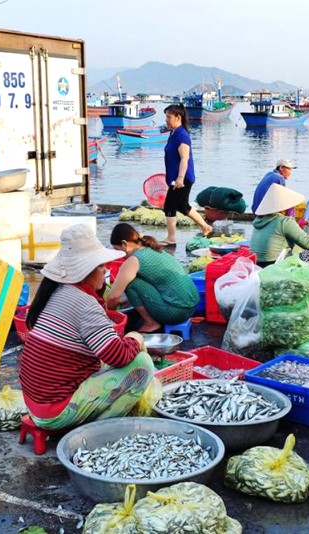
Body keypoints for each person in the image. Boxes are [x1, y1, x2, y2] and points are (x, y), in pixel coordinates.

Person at [19, 224, 155, 430]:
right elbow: (119, 356)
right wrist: (136, 337)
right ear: (86, 272)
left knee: (105, 360)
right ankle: (99, 431)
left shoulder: (57, 291)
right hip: (55, 411)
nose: (105, 270)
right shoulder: (84, 304)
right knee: (143, 364)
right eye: (101, 266)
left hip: (35, 402)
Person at [107, 222, 198, 333]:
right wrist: (126, 300)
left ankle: (151, 323)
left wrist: (107, 317)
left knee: (131, 283)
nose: (118, 254)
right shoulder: (153, 249)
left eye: (117, 249)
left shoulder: (134, 260)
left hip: (176, 313)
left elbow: (113, 297)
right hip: (192, 308)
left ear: (124, 244)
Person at [250, 184, 309, 267]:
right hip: (276, 264)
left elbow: (278, 234)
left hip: (257, 264)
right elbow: (308, 243)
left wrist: (297, 226)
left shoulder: (258, 220)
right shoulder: (284, 221)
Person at [161, 103, 212, 246]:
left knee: (169, 206)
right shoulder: (174, 133)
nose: (166, 120)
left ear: (178, 117)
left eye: (169, 117)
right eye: (166, 117)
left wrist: (180, 178)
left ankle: (171, 238)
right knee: (182, 206)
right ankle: (205, 226)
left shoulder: (182, 135)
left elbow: (185, 158)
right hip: (178, 178)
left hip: (182, 178)